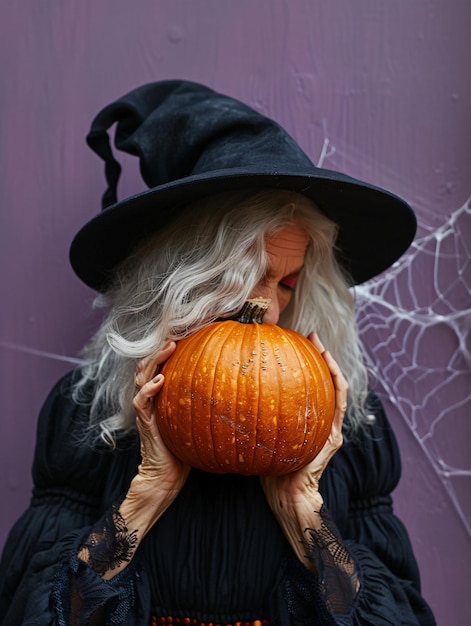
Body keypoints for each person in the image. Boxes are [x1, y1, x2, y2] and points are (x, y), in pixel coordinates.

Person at [0, 80, 436, 625]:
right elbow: (31, 611)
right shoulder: (84, 413)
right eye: (244, 279)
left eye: (287, 284)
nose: (267, 310)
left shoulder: (351, 432)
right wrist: (145, 496)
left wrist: (306, 517)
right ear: (180, 282)